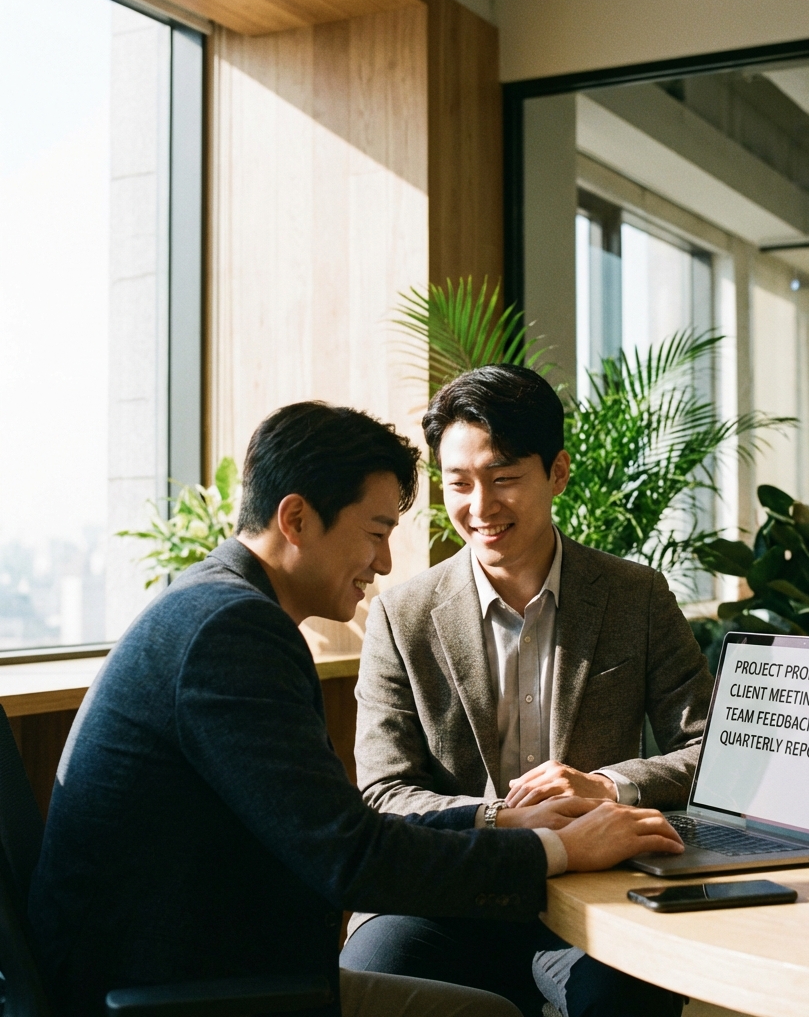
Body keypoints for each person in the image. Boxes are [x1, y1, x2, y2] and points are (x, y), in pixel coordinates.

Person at [28, 401, 684, 1017]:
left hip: (181, 963)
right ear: (296, 519)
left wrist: (504, 821)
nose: (385, 560)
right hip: (176, 986)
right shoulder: (233, 633)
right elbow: (353, 857)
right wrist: (559, 849)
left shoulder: (214, 605)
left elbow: (333, 833)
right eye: (376, 531)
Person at [344, 366, 713, 1017]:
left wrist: (610, 787)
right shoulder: (401, 618)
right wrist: (507, 824)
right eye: (458, 483)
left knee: (627, 995)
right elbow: (382, 794)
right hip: (448, 893)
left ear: (559, 473)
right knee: (372, 977)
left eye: (505, 478)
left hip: (592, 891)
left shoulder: (636, 596)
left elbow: (713, 749)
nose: (480, 508)